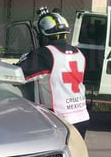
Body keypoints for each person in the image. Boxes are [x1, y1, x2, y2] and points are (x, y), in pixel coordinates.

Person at [17, 7, 90, 137]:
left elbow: (18, 74)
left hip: (59, 119)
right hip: (81, 115)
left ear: (43, 35)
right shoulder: (79, 53)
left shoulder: (45, 54)